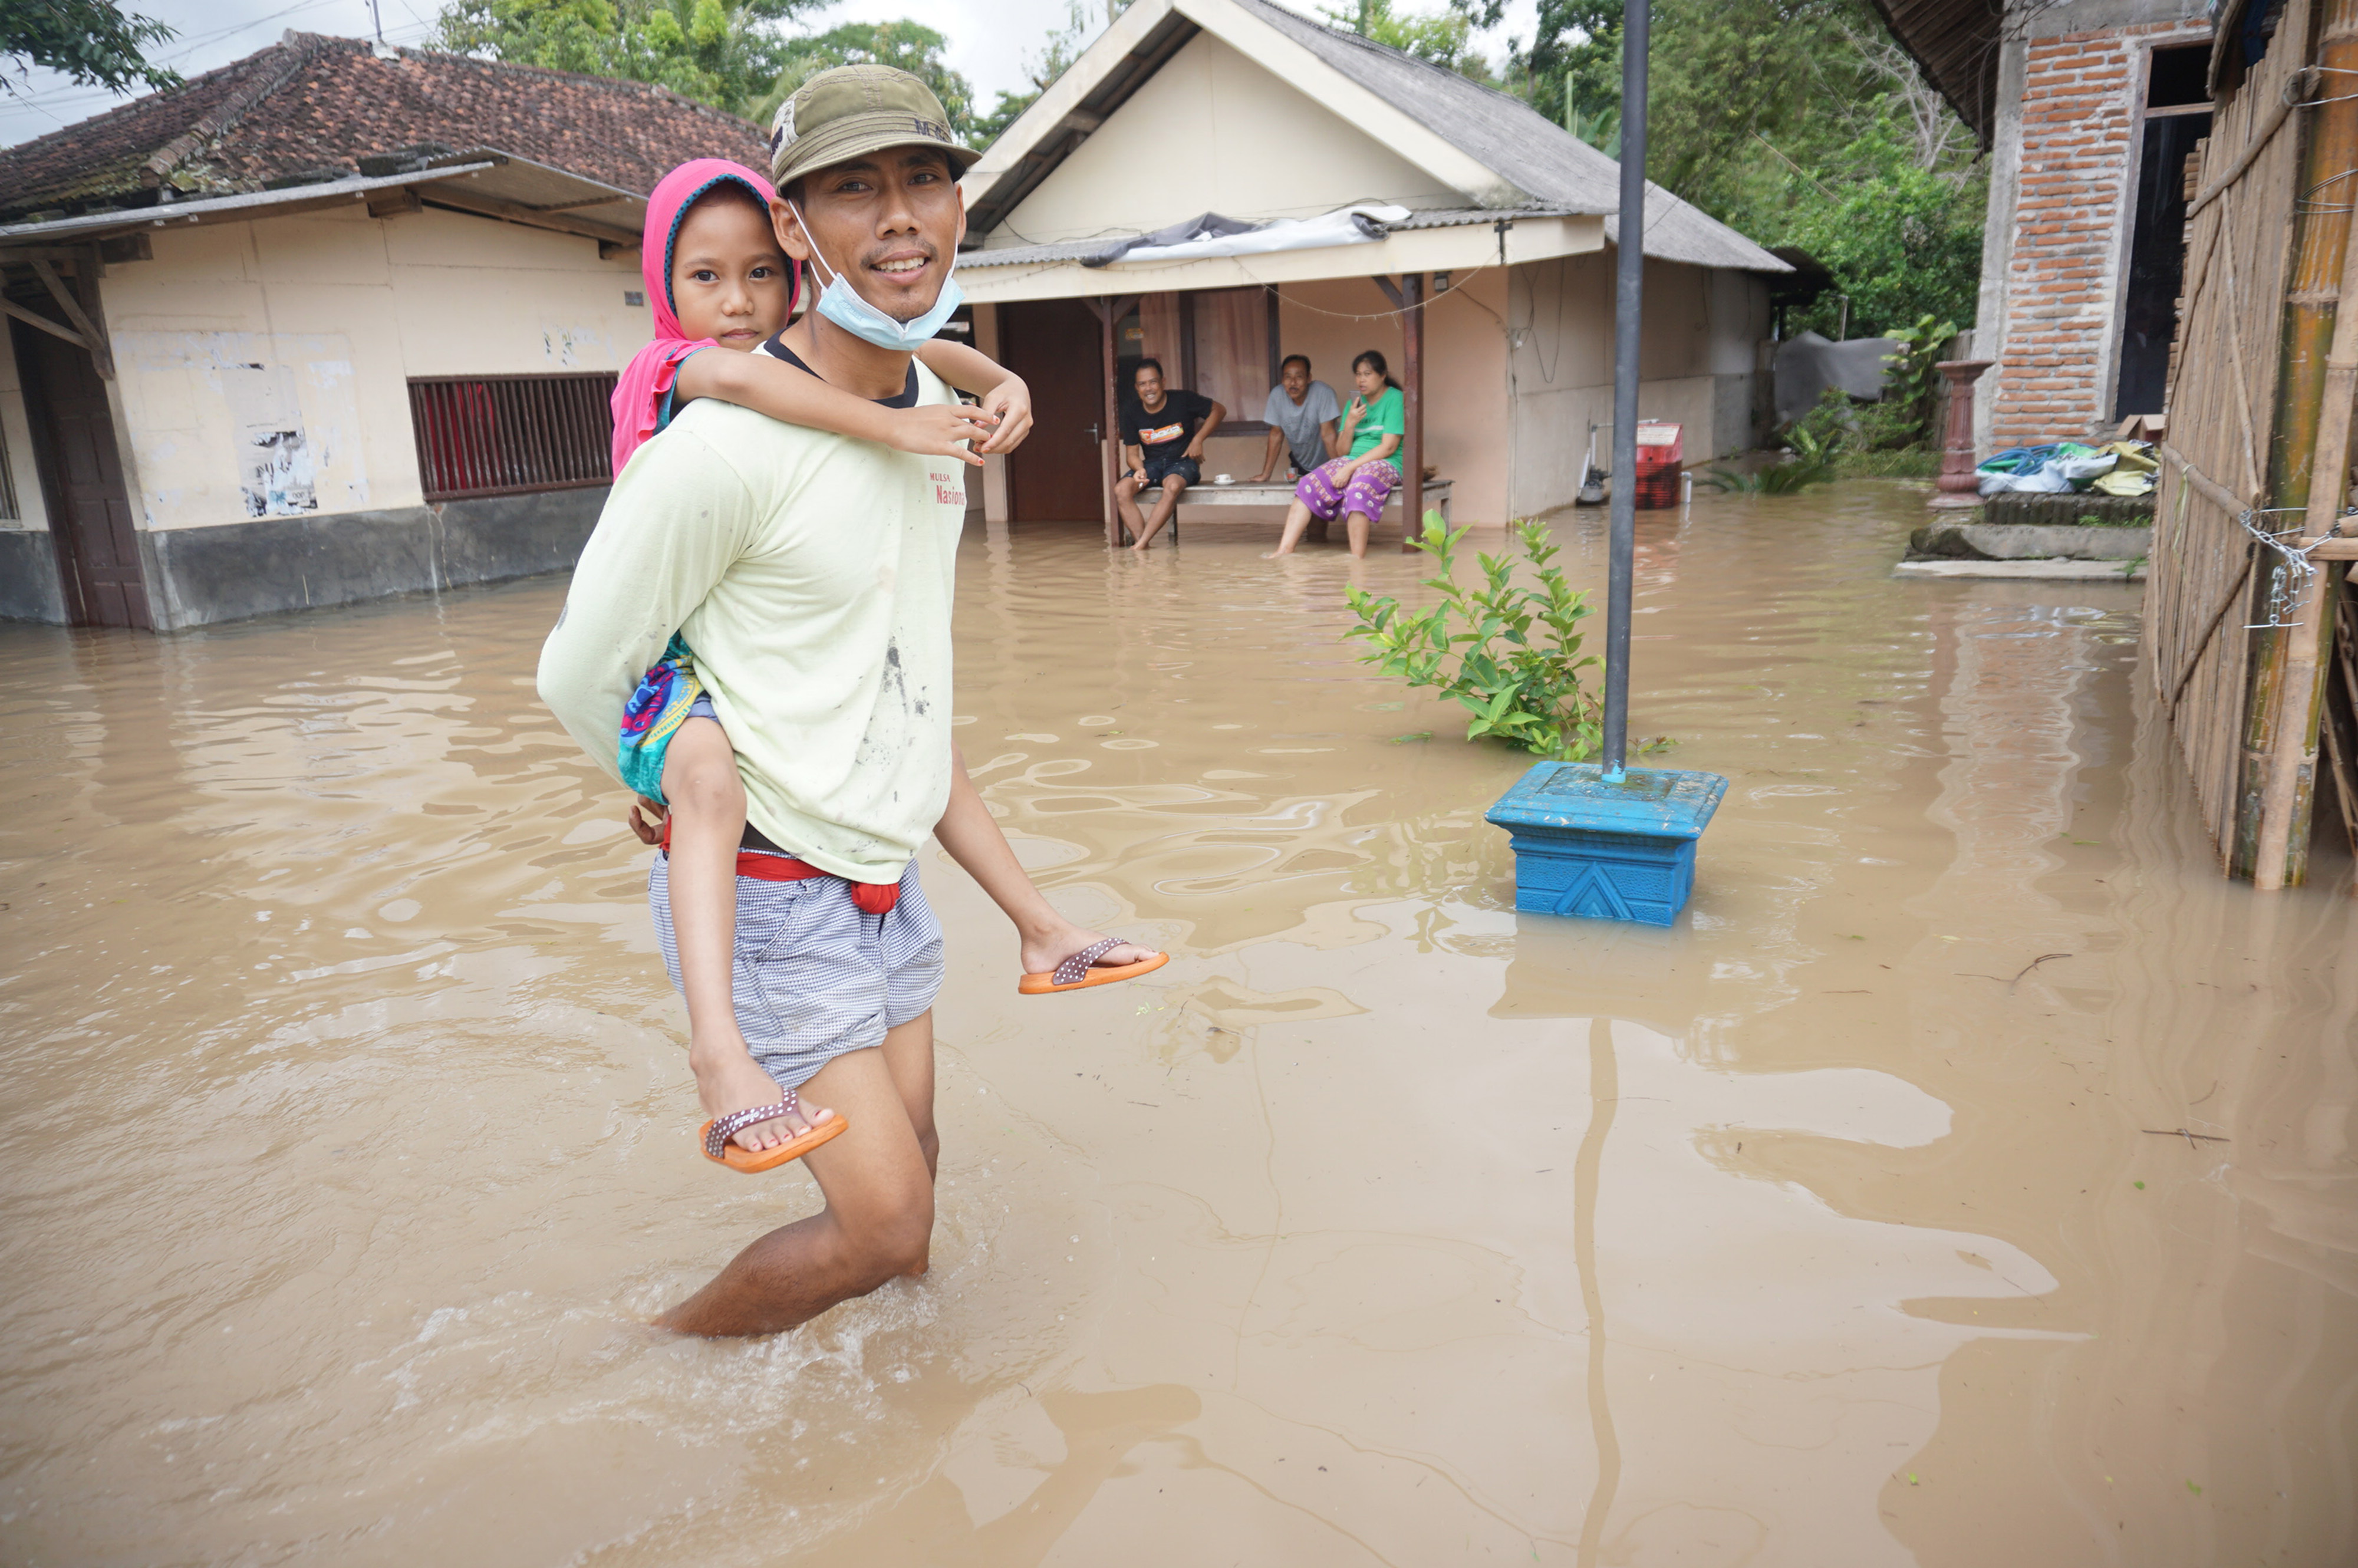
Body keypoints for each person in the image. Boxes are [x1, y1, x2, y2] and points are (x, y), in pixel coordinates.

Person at [539, 65, 1167, 1339]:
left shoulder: (944, 413)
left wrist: (1034, 915)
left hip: (885, 869)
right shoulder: (716, 448)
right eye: (852, 189)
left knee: (916, 1160)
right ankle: (657, 1358)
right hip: (768, 889)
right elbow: (575, 672)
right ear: (791, 226)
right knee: (886, 1222)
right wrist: (676, 765)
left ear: (957, 207)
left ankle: (904, 1401)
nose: (897, 217)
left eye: (923, 180)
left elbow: (899, 683)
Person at [606, 157, 1034, 1170]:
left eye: (759, 275)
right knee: (704, 789)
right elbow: (757, 378)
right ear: (663, 285)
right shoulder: (680, 372)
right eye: (705, 277)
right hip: (677, 661)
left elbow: (939, 351)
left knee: (920, 729)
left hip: (750, 655)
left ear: (790, 267)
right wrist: (898, 426)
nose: (738, 304)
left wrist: (1007, 379)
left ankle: (1043, 928)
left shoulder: (829, 373)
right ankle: (719, 1053)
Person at [1263, 349, 1405, 560]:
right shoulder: (1354, 403)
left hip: (1386, 462)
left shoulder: (1395, 399)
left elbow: (1389, 447)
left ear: (1382, 375)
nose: (1361, 380)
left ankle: (1356, 557)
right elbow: (1342, 451)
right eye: (1358, 374)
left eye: (1367, 374)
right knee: (1307, 484)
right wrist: (1349, 425)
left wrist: (1349, 468)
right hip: (1351, 459)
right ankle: (1284, 551)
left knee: (1359, 488)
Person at [1115, 359, 1223, 552]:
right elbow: (1132, 453)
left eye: (1153, 382)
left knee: (1172, 486)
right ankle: (1143, 545)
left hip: (1182, 463)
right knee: (1121, 490)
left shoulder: (1183, 400)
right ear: (1137, 388)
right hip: (1152, 466)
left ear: (1163, 382)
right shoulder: (1132, 411)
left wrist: (1198, 440)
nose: (1149, 388)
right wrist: (1139, 469)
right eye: (1142, 384)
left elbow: (1219, 410)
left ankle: (1140, 545)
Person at [1247, 354, 1341, 483]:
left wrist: (1341, 470)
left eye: (1299, 377)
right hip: (1300, 464)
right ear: (1282, 380)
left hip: (1327, 462)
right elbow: (1276, 435)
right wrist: (1266, 475)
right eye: (1288, 377)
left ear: (1309, 378)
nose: (1293, 383)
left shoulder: (1323, 393)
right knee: (1300, 499)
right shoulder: (1277, 396)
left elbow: (1328, 434)